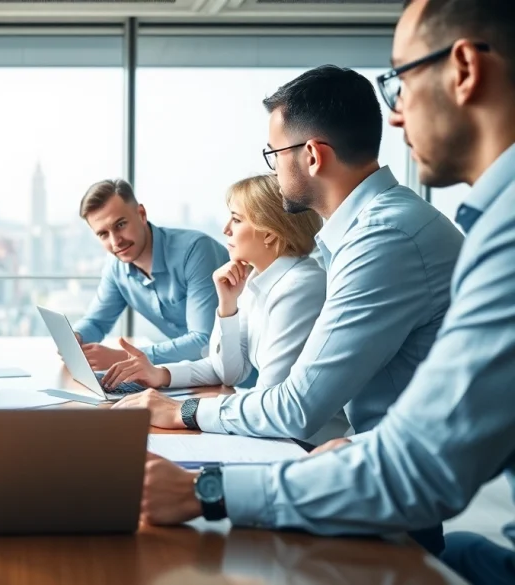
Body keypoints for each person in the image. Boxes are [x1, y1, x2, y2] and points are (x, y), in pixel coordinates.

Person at [132, 2, 515, 581]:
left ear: (462, 68)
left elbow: (319, 416)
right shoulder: (380, 233)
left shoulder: (391, 235)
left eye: (400, 82)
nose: (397, 117)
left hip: (405, 506)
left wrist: (206, 485)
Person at [113, 67, 463, 449]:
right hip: (376, 453)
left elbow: (297, 406)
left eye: (273, 154)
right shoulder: (372, 228)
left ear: (312, 156)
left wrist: (183, 411)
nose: (273, 170)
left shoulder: (382, 239)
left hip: (395, 471)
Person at [101, 175, 348, 445]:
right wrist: (226, 306)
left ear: (269, 232)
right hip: (274, 432)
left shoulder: (299, 287)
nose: (225, 229)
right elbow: (229, 372)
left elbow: (270, 401)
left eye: (237, 219)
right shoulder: (256, 280)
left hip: (306, 445)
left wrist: (182, 411)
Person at [72, 179, 228, 371]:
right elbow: (96, 322)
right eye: (103, 234)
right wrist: (76, 338)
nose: (115, 242)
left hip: (243, 381)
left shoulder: (195, 251)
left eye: (120, 225)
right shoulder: (116, 267)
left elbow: (204, 342)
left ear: (141, 214)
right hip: (192, 375)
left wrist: (126, 358)